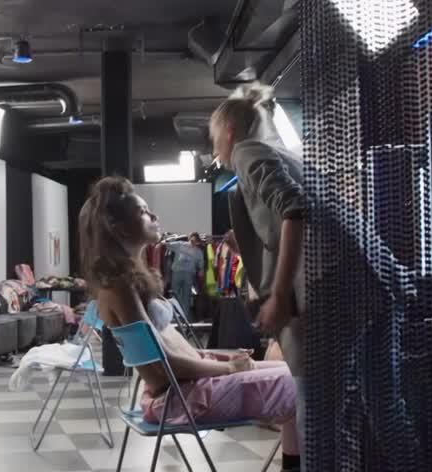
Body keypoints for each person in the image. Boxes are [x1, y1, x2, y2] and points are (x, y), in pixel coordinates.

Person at [79, 177, 301, 472]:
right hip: (181, 399)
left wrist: (222, 359)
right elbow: (166, 363)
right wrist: (228, 369)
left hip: (184, 389)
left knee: (296, 371)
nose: (154, 215)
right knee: (303, 384)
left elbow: (170, 355)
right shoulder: (121, 287)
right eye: (143, 212)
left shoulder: (126, 282)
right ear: (120, 229)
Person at [210, 84, 308, 468]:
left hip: (315, 295)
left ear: (229, 131)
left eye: (214, 137)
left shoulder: (246, 152)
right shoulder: (280, 153)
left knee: (311, 401)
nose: (215, 148)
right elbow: (285, 222)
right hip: (354, 289)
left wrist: (278, 295)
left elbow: (294, 209)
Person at [166, 232, 204, 321]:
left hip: (187, 273)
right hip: (179, 272)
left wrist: (201, 270)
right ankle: (181, 314)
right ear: (189, 238)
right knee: (178, 293)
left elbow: (201, 263)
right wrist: (172, 238)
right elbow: (167, 245)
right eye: (193, 240)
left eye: (195, 241)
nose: (193, 242)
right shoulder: (180, 244)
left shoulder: (197, 251)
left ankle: (183, 315)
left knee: (184, 294)